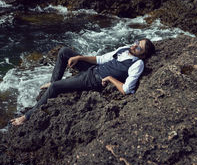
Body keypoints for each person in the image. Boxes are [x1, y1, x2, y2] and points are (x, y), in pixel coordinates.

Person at [11, 38, 155, 126]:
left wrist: (111, 79)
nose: (134, 45)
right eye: (137, 42)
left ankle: (27, 117)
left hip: (93, 80)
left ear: (143, 54)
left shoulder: (137, 64)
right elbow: (100, 59)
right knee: (64, 52)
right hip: (94, 68)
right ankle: (54, 81)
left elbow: (126, 90)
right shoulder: (124, 49)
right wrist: (79, 57)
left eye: (138, 47)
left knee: (55, 88)